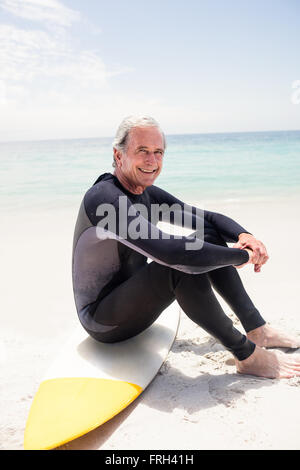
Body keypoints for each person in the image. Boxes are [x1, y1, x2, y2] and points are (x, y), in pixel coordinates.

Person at [72, 115, 300, 379]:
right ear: (118, 155)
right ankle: (246, 355)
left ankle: (256, 328)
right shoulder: (104, 201)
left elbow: (208, 220)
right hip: (103, 322)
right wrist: (241, 256)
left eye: (158, 152)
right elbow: (173, 253)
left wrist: (245, 235)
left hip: (136, 302)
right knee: (177, 267)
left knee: (207, 235)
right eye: (142, 151)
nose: (152, 161)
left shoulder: (145, 194)